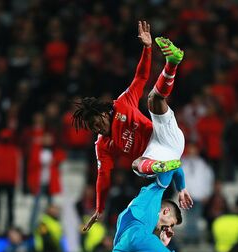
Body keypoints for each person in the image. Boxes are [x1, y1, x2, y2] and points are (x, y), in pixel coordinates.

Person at [72, 21, 191, 231]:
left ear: (102, 112)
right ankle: (161, 167)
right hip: (159, 156)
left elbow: (141, 77)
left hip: (165, 136)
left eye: (96, 121)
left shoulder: (122, 103)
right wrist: (100, 208)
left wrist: (147, 48)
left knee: (154, 99)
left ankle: (172, 62)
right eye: (92, 128)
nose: (96, 128)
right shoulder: (103, 146)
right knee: (136, 165)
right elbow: (103, 176)